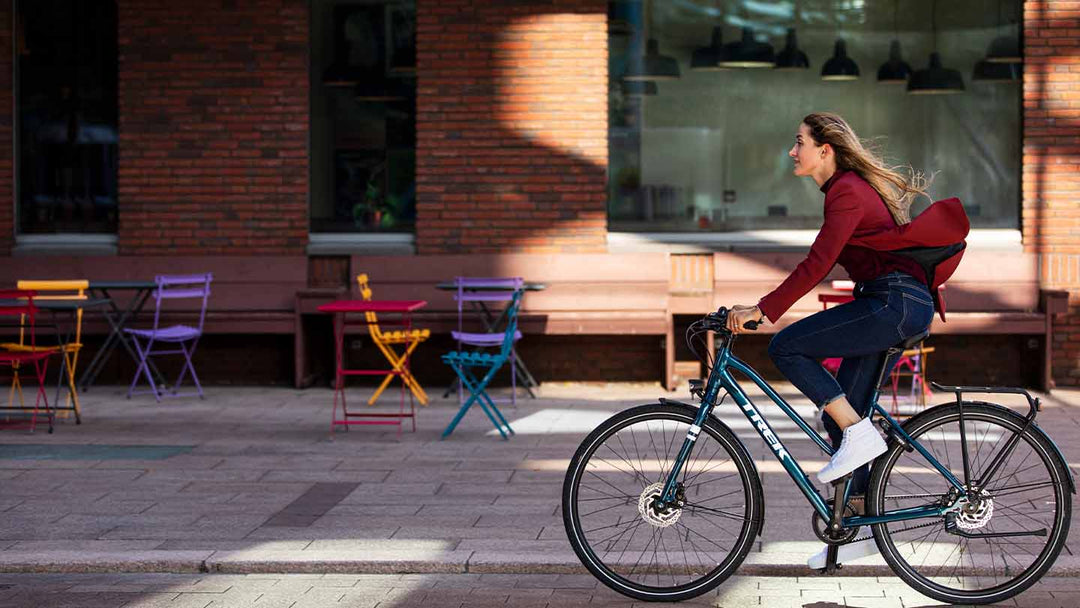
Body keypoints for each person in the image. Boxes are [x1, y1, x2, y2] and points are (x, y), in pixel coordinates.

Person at [725, 112, 943, 568]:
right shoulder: (845, 191)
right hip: (894, 302)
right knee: (841, 418)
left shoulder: (846, 191)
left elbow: (818, 262)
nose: (792, 151)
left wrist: (762, 312)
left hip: (892, 304)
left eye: (798, 142)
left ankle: (862, 436)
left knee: (785, 346)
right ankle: (858, 529)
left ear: (825, 149)